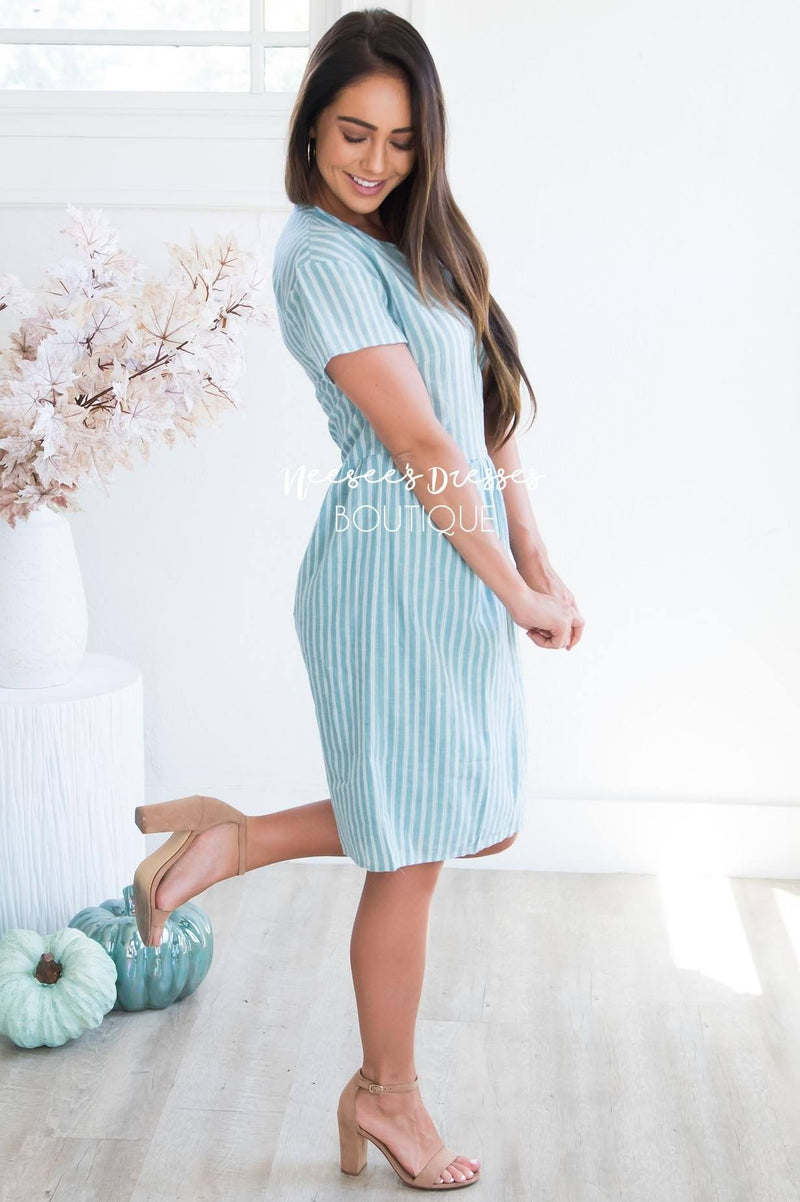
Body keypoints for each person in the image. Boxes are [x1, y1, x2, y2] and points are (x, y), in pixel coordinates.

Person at [132, 8, 584, 1191]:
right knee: (414, 846)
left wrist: (534, 554)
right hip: (391, 571)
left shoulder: (420, 239)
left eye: (398, 139)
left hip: (456, 558)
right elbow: (420, 441)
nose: (374, 161)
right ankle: (387, 1093)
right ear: (309, 127)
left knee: (471, 814)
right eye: (351, 133)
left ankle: (234, 840)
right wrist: (509, 583)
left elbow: (485, 408)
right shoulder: (318, 257)